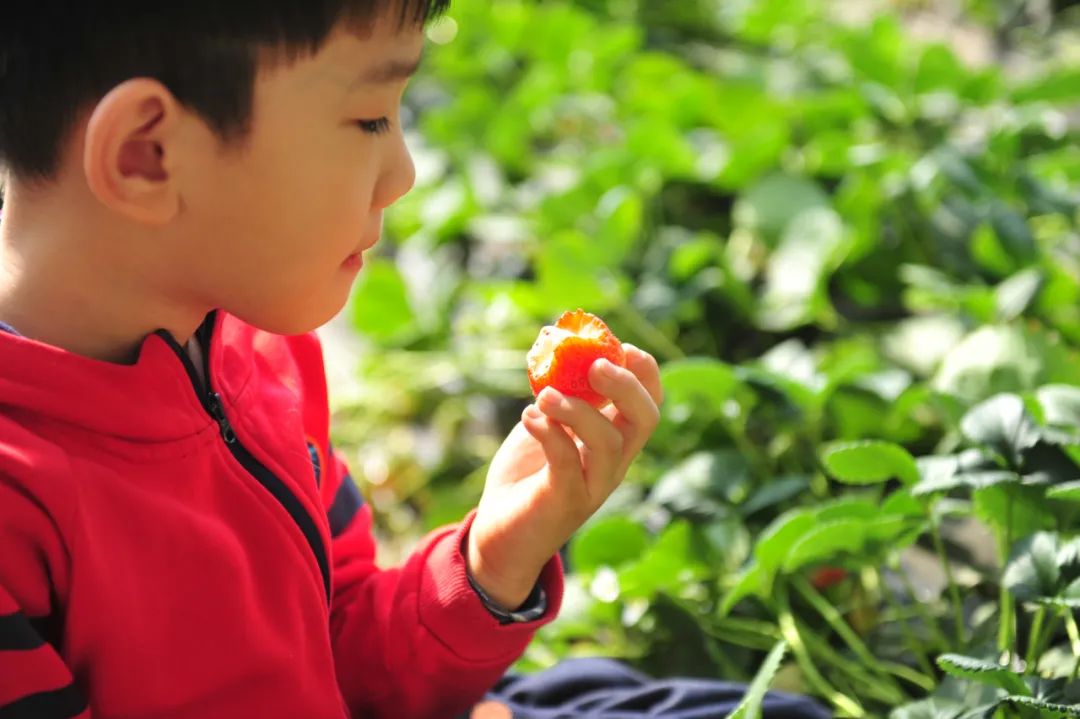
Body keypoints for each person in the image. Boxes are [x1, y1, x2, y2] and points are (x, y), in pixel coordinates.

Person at [0, 2, 829, 718]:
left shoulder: (257, 356)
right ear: (149, 153)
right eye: (370, 119)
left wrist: (490, 565)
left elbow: (345, 668)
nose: (402, 172)